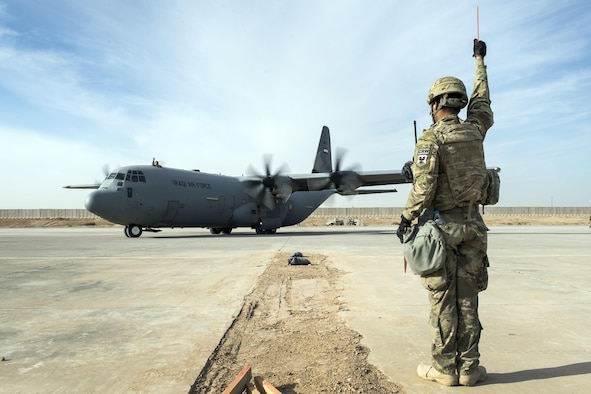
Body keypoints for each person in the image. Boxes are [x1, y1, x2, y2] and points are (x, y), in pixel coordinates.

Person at [397, 38, 493, 387]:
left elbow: (423, 190)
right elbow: (483, 102)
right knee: (468, 301)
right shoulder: (475, 130)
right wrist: (480, 60)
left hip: (442, 230)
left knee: (443, 301)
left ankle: (444, 369)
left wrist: (406, 219)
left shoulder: (431, 139)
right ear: (459, 102)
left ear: (436, 104)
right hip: (474, 227)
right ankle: (469, 369)